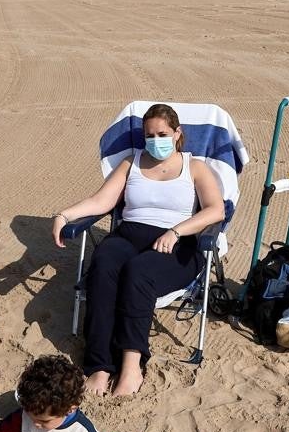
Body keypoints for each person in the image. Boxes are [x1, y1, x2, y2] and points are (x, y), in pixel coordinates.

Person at [52, 104, 224, 396]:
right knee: (104, 264)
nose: (156, 140)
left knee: (139, 272)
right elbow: (101, 201)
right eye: (149, 135)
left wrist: (176, 231)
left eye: (162, 134)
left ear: (177, 133)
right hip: (129, 235)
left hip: (176, 244)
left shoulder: (194, 167)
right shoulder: (131, 163)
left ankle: (131, 367)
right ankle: (99, 365)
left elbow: (216, 210)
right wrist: (64, 215)